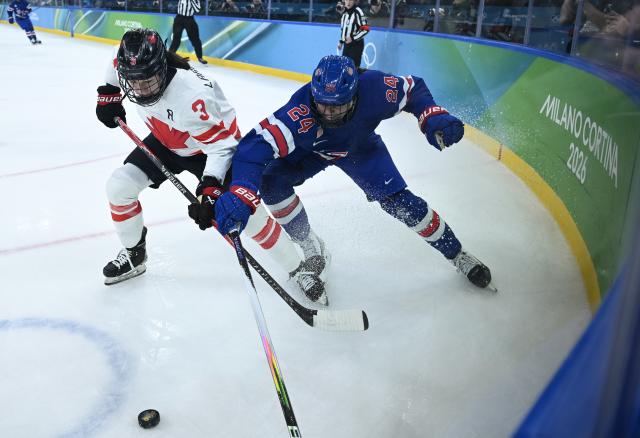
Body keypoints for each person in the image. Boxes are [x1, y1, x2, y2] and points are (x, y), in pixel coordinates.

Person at [213, 55, 494, 305]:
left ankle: (457, 254)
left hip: (360, 148)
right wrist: (242, 191)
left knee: (402, 204)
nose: (329, 113)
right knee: (271, 182)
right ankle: (311, 247)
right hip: (313, 152)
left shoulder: (376, 88)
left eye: (338, 106)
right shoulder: (298, 115)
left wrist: (430, 114)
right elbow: (253, 149)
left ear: (356, 94)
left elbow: (414, 89)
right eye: (322, 105)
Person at [94, 28, 324, 300]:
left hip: (213, 149)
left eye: (149, 81)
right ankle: (135, 254)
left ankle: (298, 269)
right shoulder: (129, 62)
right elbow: (114, 71)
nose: (141, 90)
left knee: (245, 214)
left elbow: (220, 147)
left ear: (162, 67)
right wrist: (107, 94)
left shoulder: (190, 97)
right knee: (119, 187)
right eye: (134, 82)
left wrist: (210, 188)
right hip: (166, 138)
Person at [168, 0, 207, 64]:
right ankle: (169, 57)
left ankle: (200, 57)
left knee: (195, 39)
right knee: (176, 39)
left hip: (189, 19)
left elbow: (197, 10)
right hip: (179, 18)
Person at [338, 0, 370, 68]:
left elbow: (366, 29)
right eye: (347, 0)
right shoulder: (345, 13)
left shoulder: (358, 11)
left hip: (356, 46)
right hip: (347, 45)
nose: (348, 2)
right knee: (343, 67)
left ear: (354, 1)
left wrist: (353, 38)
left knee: (352, 69)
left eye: (351, 0)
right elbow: (344, 29)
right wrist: (341, 41)